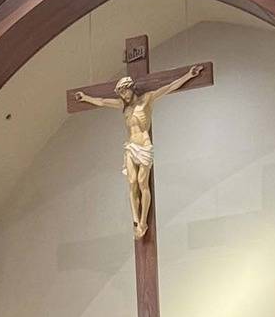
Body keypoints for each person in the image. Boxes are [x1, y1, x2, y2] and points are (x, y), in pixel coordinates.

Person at [72, 65, 203, 239]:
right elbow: (102, 101)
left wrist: (188, 75)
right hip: (130, 147)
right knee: (132, 183)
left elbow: (170, 87)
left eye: (125, 91)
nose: (124, 96)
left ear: (131, 88)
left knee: (143, 183)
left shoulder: (146, 99)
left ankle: (143, 222)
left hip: (144, 146)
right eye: (121, 94)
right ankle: (135, 221)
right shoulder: (122, 105)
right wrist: (85, 97)